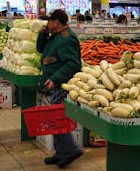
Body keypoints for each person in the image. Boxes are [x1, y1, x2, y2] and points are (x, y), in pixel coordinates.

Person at [36, 10, 82, 167]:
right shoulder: (54, 35)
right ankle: (60, 152)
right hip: (53, 82)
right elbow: (41, 49)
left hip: (62, 83)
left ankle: (71, 150)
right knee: (55, 118)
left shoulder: (67, 39)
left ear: (57, 22)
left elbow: (73, 63)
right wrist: (42, 34)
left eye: (49, 21)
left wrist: (55, 79)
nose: (47, 23)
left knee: (58, 119)